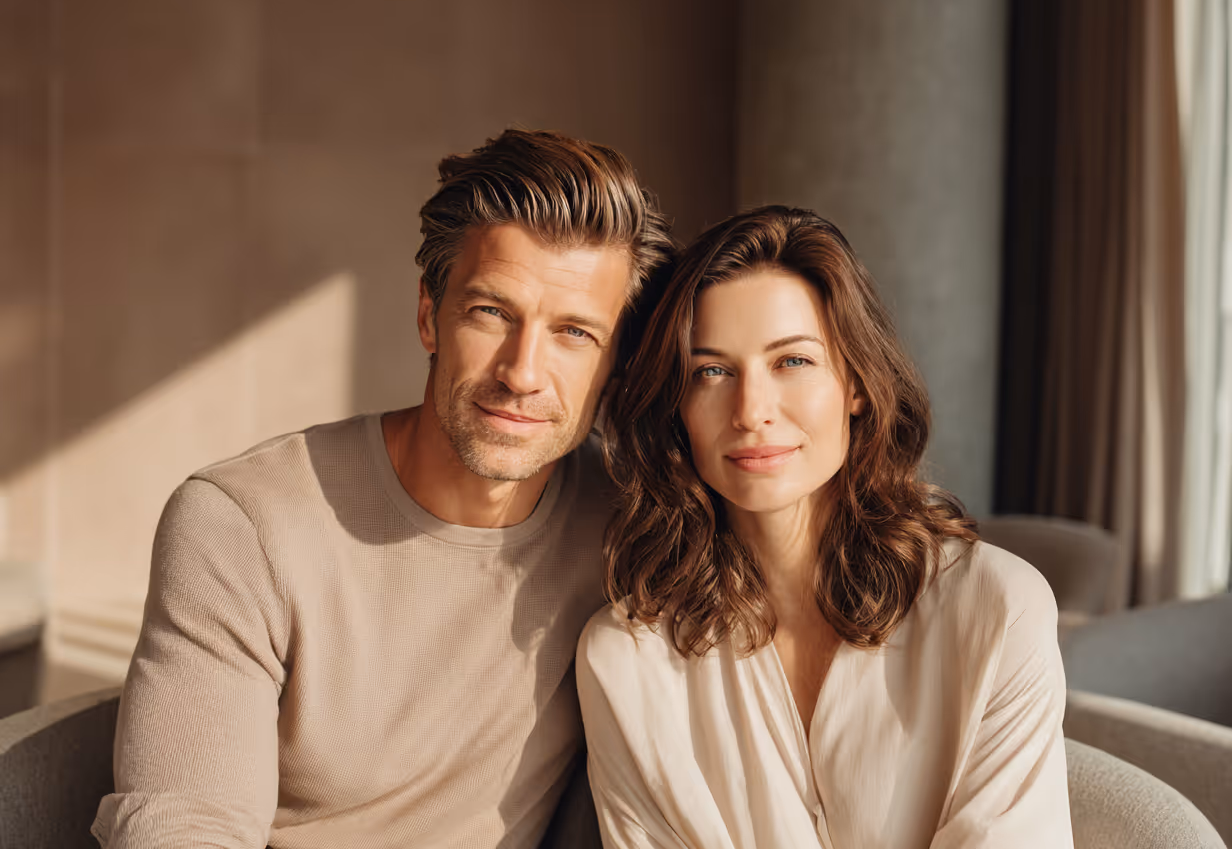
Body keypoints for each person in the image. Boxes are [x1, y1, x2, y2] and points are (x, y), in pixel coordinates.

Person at [91, 128, 675, 849]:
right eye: (491, 313)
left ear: (616, 363)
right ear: (430, 315)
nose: (522, 373)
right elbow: (185, 828)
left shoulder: (631, 524)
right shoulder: (242, 524)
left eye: (574, 333)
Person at [578, 205, 1073, 848]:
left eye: (792, 361)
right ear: (677, 407)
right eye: (711, 371)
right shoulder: (627, 660)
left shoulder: (998, 609)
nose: (751, 411)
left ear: (857, 384)